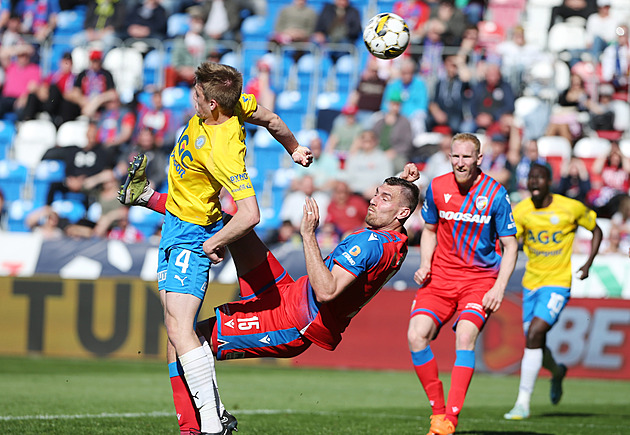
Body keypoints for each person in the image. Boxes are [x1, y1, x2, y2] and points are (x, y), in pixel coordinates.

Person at [121, 161, 421, 434]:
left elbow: (326, 290)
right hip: (288, 292)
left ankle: (196, 428)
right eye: (378, 193)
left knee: (182, 339)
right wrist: (406, 187)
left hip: (291, 322)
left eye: (384, 199)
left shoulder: (371, 244)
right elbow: (402, 213)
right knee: (231, 224)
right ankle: (146, 197)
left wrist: (307, 235)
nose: (373, 200)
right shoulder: (397, 240)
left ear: (402, 213)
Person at [117, 61, 313, 435]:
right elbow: (271, 120)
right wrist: (295, 148)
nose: (193, 97)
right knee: (175, 330)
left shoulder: (223, 149)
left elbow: (251, 213)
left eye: (197, 95)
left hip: (192, 235)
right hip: (175, 225)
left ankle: (209, 424)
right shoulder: (236, 104)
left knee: (179, 329)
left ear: (212, 105)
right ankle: (215, 416)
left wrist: (215, 241)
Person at [407, 132, 519, 435]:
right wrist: (425, 264)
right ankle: (438, 412)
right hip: (440, 277)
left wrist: (499, 287)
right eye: (455, 156)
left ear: (479, 159)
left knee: (465, 336)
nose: (460, 162)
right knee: (417, 336)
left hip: (479, 280)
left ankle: (450, 420)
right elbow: (429, 230)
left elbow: (511, 246)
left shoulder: (495, 194)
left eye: (466, 157)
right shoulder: (437, 186)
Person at [504, 162, 602, 420]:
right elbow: (512, 242)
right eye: (530, 178)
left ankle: (522, 403)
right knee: (533, 341)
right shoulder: (522, 210)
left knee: (535, 333)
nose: (534, 183)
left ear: (549, 181)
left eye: (539, 178)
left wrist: (588, 263)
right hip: (531, 283)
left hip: (558, 282)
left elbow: (596, 230)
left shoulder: (570, 207)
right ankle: (557, 371)